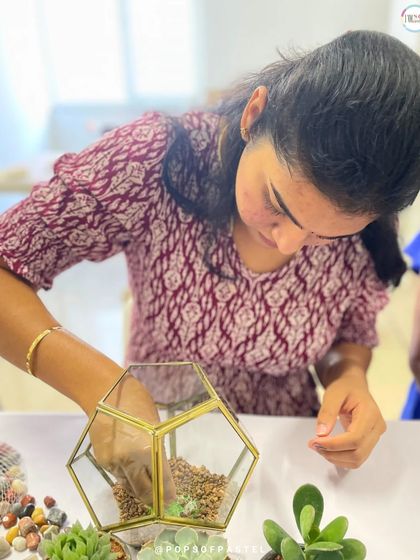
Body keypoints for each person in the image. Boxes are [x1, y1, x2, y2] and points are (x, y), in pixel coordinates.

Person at [0, 30, 419, 498]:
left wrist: (349, 377)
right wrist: (101, 387)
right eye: (276, 203)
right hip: (152, 438)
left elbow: (348, 337)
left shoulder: (365, 225)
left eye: (326, 234)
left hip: (285, 454)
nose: (288, 244)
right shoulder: (154, 158)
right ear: (254, 114)